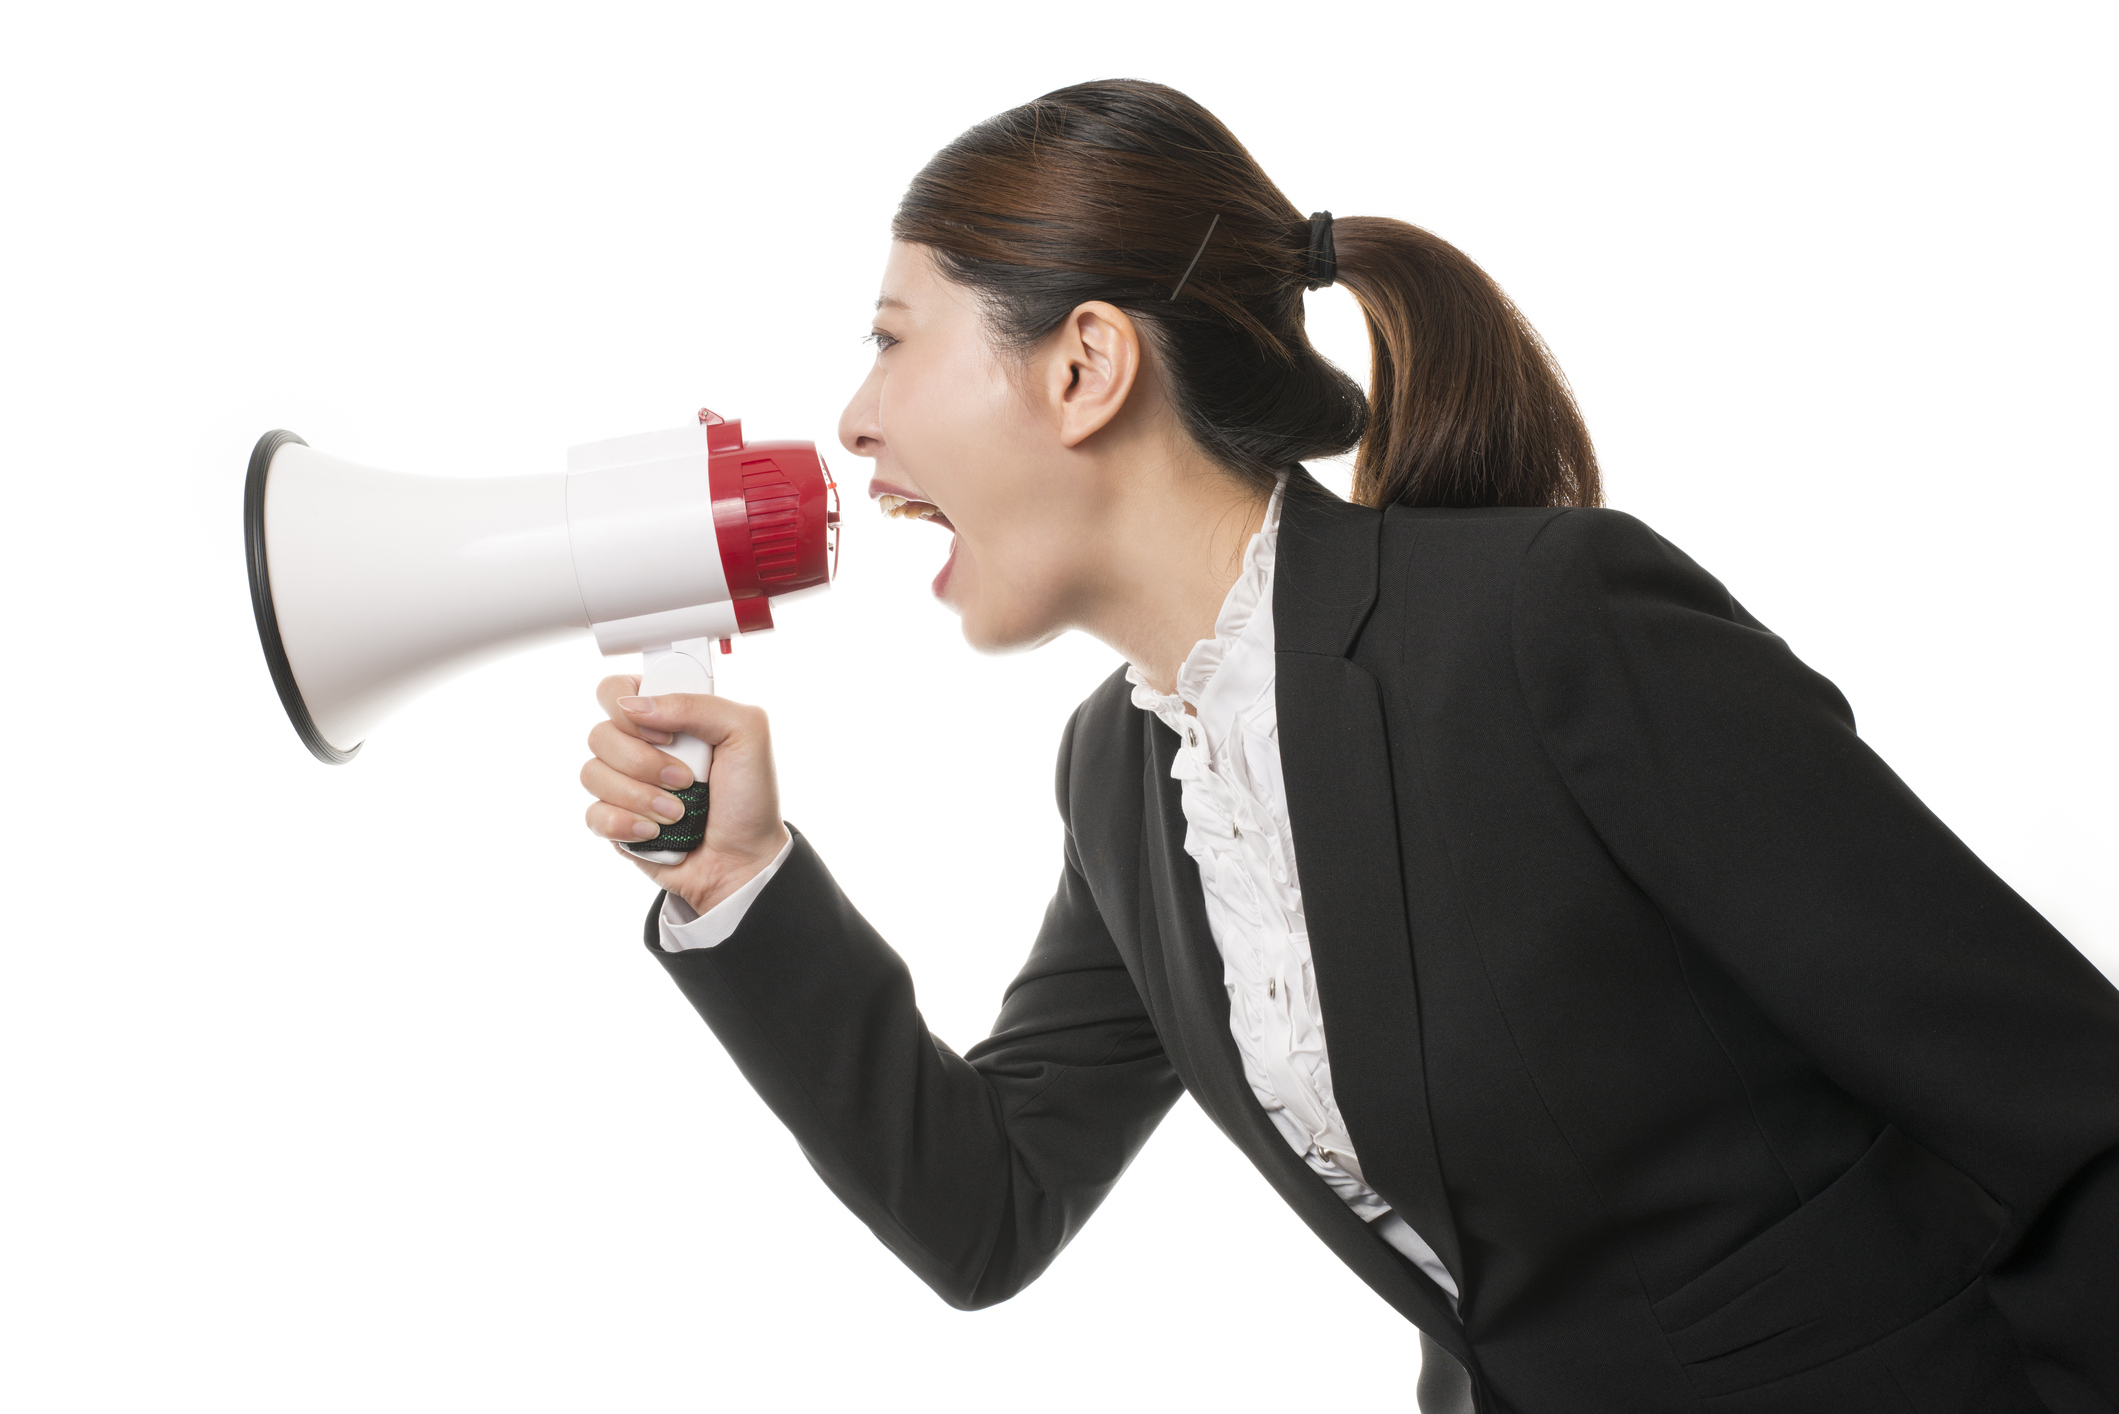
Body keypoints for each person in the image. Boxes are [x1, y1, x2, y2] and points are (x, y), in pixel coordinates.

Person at [575, 80, 2119, 1413]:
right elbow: (990, 1204)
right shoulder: (1126, 778)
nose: (851, 419)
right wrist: (739, 879)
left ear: (1085, 364)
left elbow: (2064, 1096)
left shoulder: (1545, 624)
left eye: (894, 338)